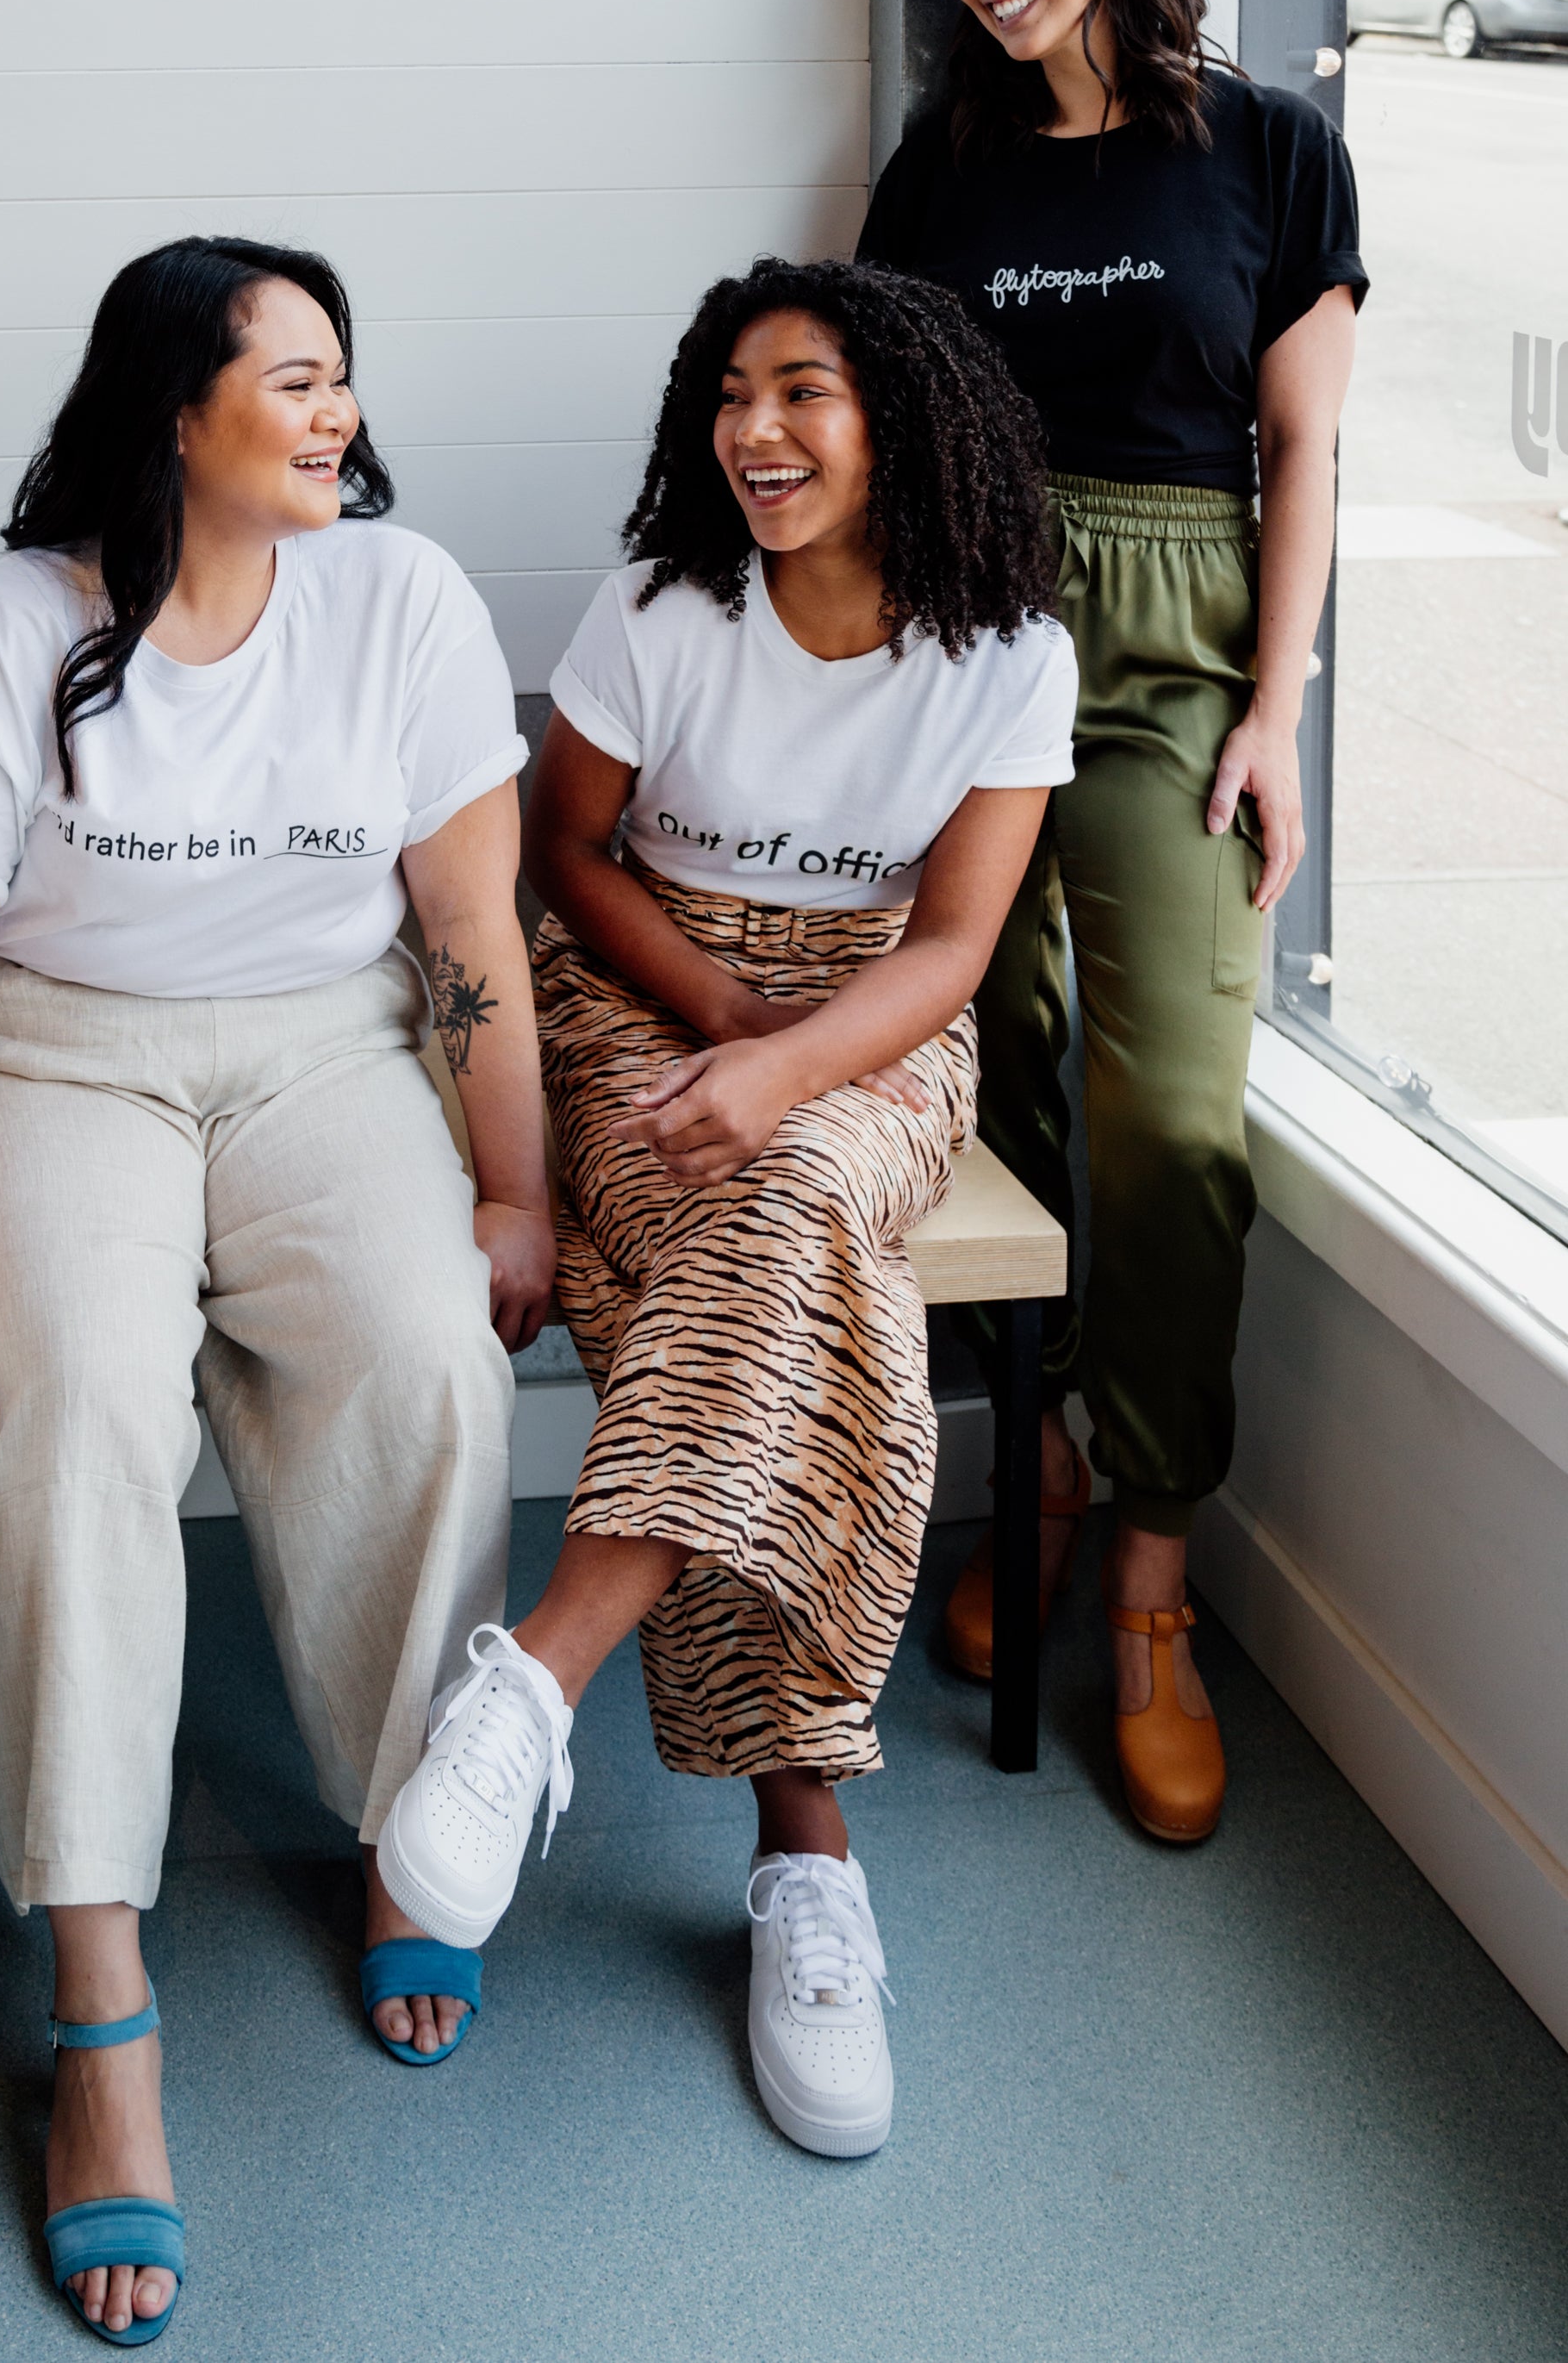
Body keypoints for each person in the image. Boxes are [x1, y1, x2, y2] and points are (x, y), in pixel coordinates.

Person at [0, 237, 554, 2344]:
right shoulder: (10, 633)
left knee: (429, 1359)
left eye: (343, 378)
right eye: (293, 378)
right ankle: (101, 2014)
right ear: (174, 406)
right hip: (65, 1064)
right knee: (76, 1431)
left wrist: (511, 1191)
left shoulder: (399, 601)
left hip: (329, 1053)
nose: (337, 414)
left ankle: (411, 1832)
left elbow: (471, 938)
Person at [373, 255, 1077, 2158]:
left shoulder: (1007, 649)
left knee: (778, 1224)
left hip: (874, 1017)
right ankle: (805, 1857)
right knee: (796, 1281)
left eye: (801, 396)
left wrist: (783, 1063)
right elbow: (558, 854)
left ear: (901, 421)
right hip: (628, 987)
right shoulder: (665, 608)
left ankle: (533, 1685)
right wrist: (711, 1015)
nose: (752, 434)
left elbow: (946, 949)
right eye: (730, 397)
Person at [857, 0, 1364, 1844]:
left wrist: (1274, 713)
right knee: (999, 1081)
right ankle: (1041, 1465)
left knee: (1166, 1122)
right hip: (969, 644)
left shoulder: (1264, 149)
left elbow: (1302, 445)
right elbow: (870, 406)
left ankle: (1145, 1579)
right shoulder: (939, 169)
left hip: (1169, 652)